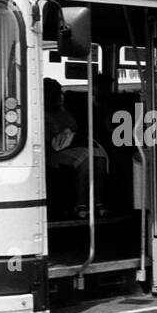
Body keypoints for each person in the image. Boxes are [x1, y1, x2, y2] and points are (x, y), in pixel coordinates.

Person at [44, 78, 107, 218]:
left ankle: (98, 202)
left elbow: (75, 128)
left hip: (70, 147)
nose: (60, 96)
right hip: (51, 152)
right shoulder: (40, 113)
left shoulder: (62, 111)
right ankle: (80, 204)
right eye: (57, 93)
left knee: (99, 156)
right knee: (85, 159)